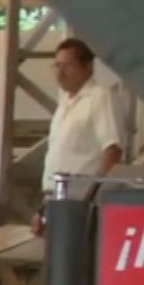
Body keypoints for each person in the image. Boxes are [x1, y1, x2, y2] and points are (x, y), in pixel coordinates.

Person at [36, 37, 123, 234]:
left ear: (88, 66)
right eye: (56, 66)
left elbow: (112, 149)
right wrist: (43, 206)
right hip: (55, 198)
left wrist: (93, 197)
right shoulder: (64, 102)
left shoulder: (100, 97)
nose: (60, 72)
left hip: (80, 201)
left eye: (67, 66)